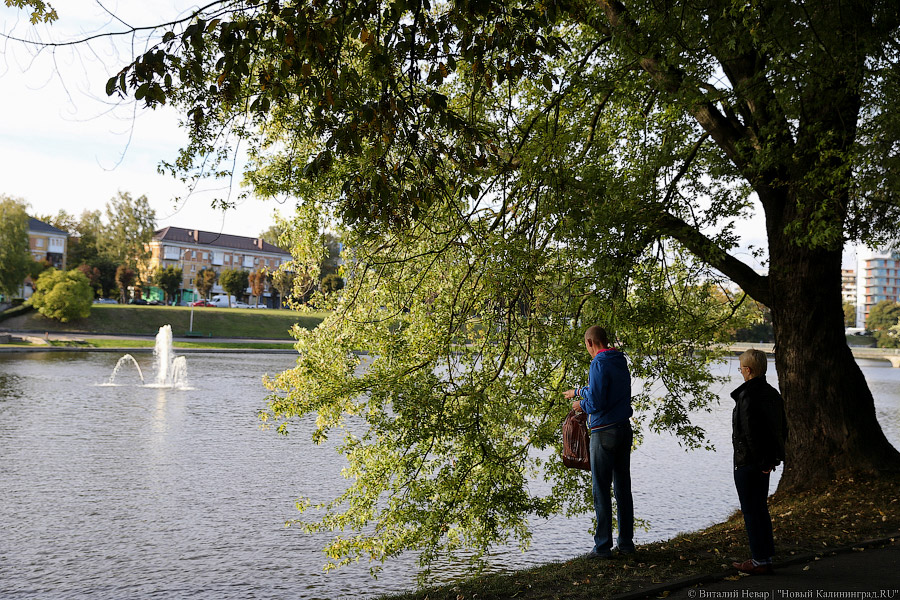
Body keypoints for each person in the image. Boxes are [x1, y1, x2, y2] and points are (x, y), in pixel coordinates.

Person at [563, 326, 635, 559]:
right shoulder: (619, 360)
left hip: (604, 432)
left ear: (590, 343)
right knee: (623, 487)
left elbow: (596, 400)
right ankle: (626, 544)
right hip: (624, 429)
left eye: (587, 346)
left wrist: (580, 405)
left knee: (601, 489)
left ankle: (602, 546)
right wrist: (577, 391)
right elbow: (602, 390)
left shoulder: (598, 362)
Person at [731, 348, 787, 575]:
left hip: (748, 462)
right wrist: (772, 459)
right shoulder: (772, 393)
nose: (741, 372)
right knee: (760, 509)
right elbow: (781, 428)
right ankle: (765, 556)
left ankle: (758, 560)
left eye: (741, 368)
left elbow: (751, 433)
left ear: (748, 370)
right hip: (764, 461)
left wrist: (762, 461)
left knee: (751, 511)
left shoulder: (747, 396)